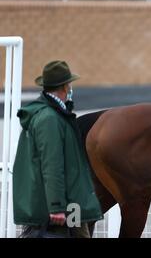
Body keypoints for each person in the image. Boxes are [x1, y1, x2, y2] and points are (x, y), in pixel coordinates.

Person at [13, 60, 103, 238]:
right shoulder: (50, 119)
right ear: (64, 86)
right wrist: (56, 206)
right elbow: (51, 164)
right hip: (62, 206)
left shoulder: (54, 114)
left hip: (70, 202)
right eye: (69, 83)